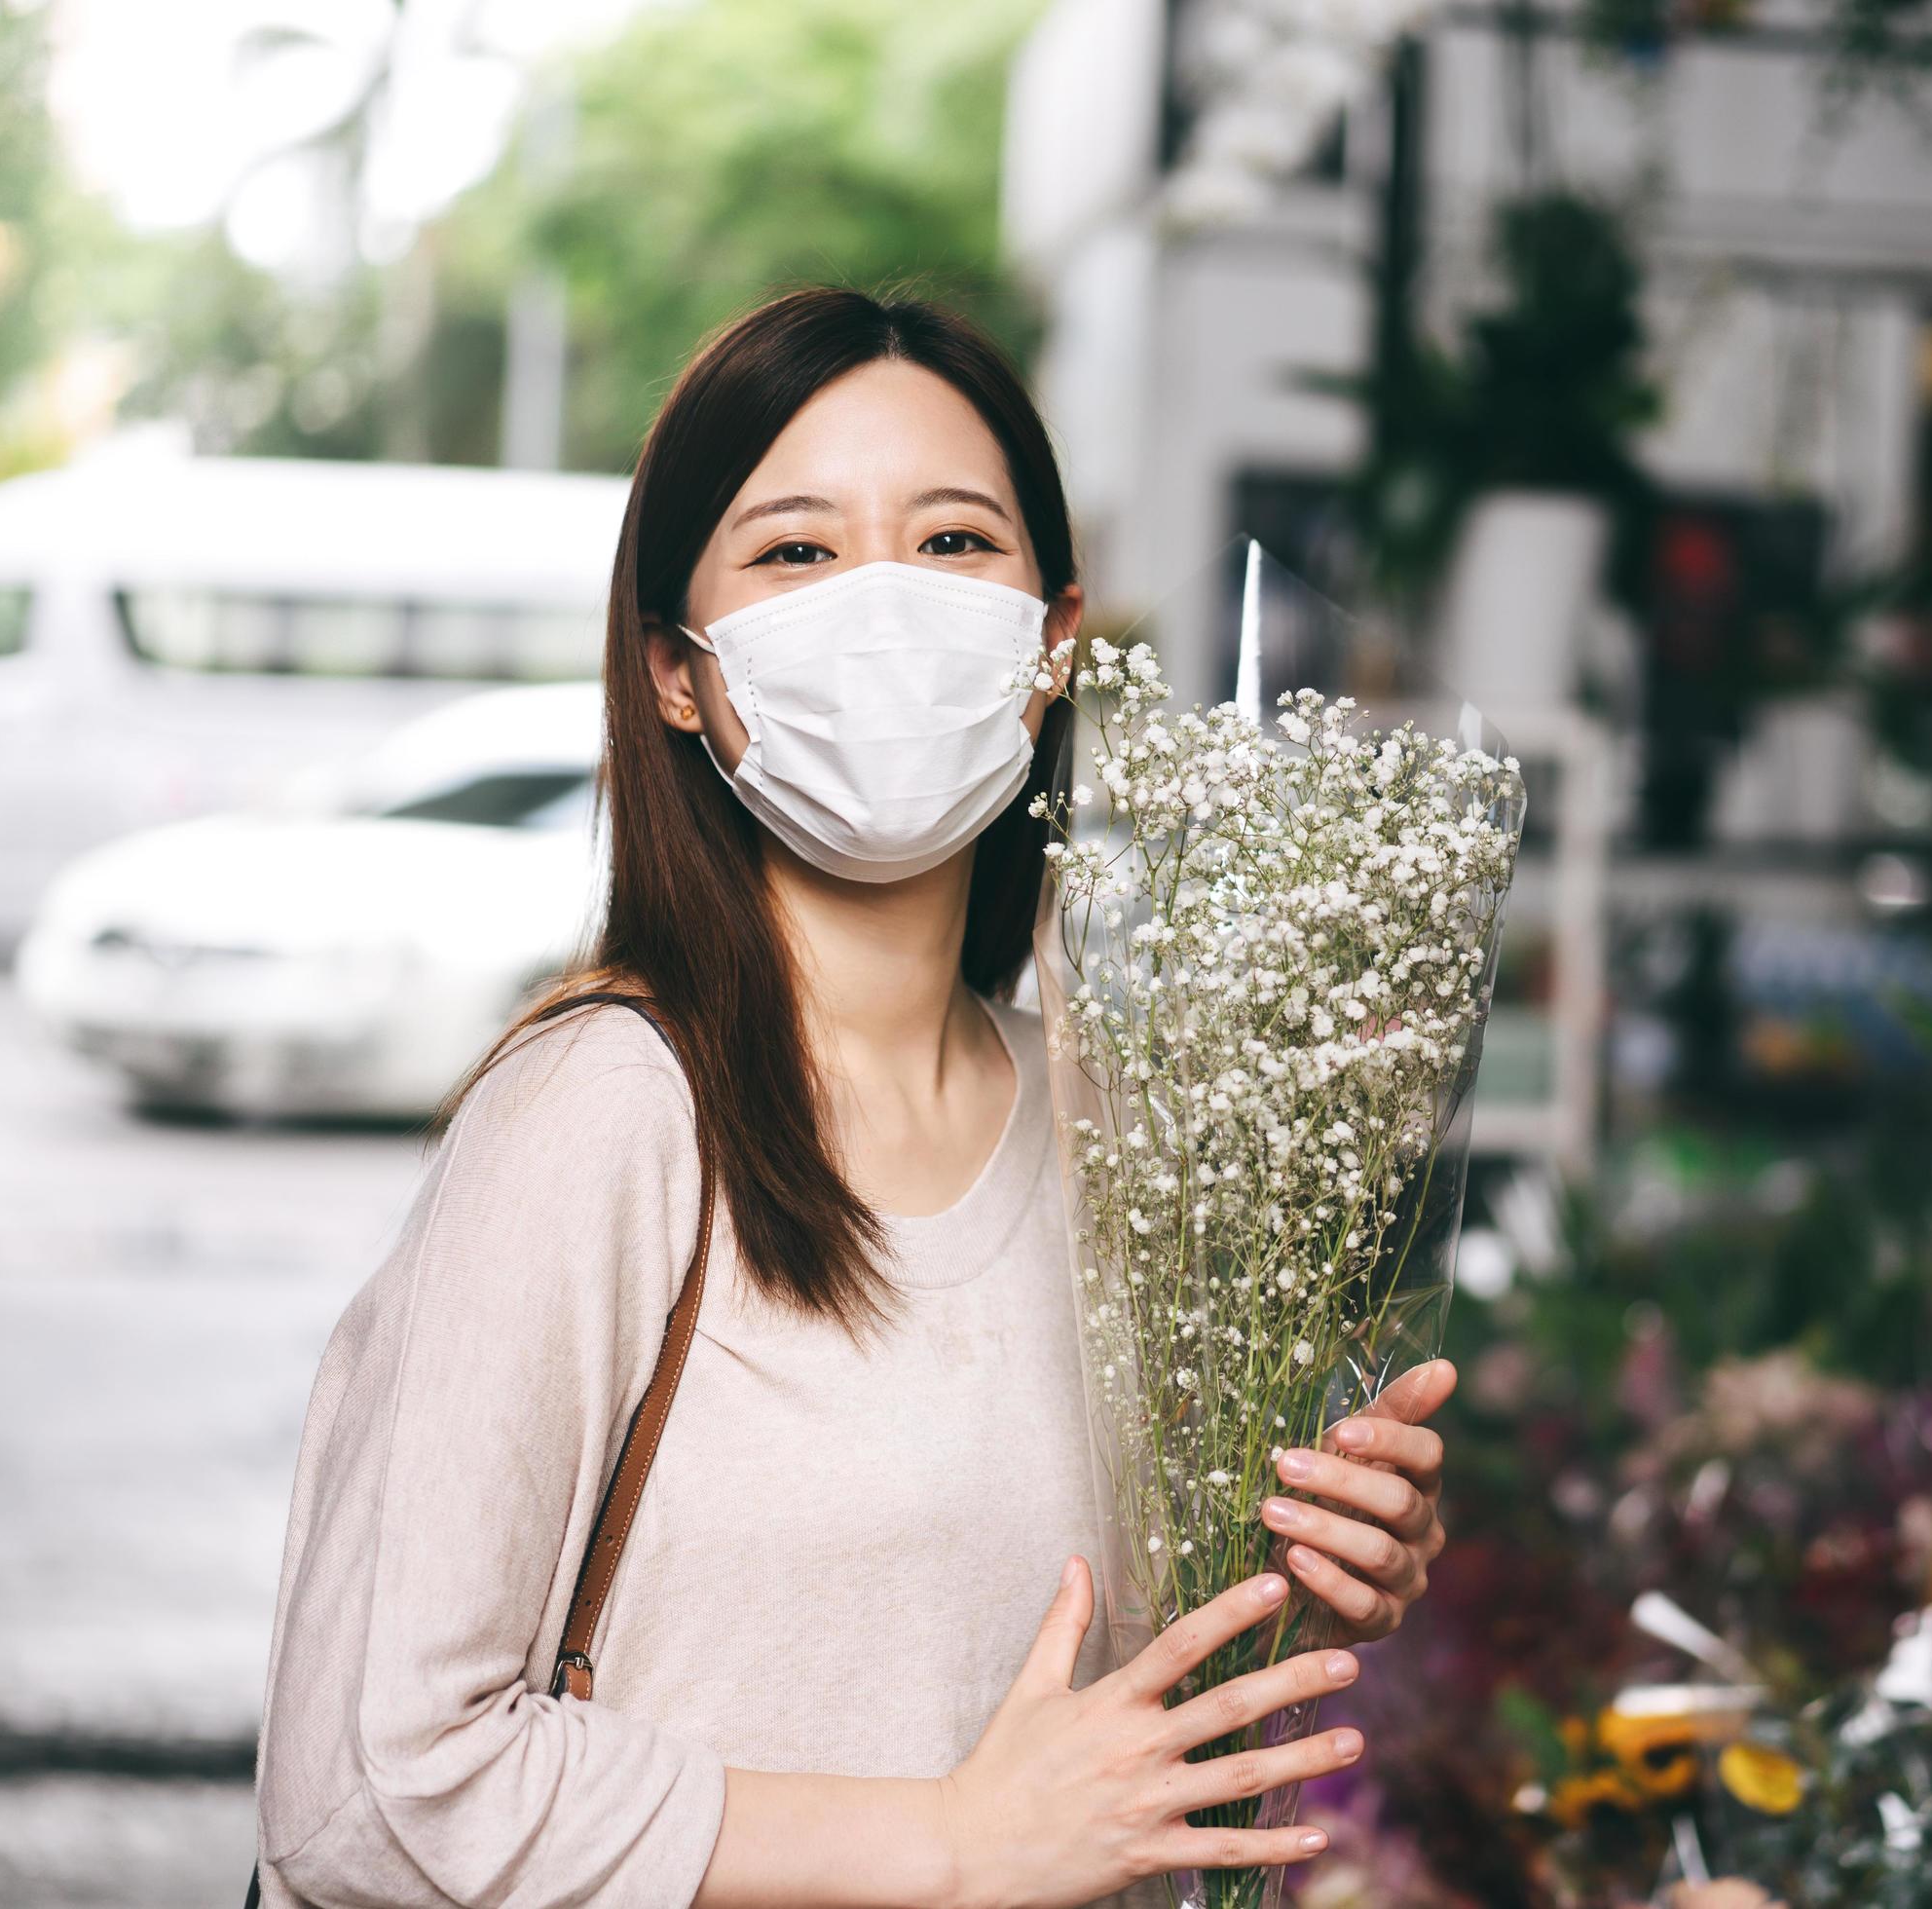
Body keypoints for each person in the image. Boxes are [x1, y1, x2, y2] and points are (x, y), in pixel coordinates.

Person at [249, 287, 1457, 1909]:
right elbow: (368, 1794)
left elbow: (1073, 1708)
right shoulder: (607, 1115)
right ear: (679, 672)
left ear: (1052, 642)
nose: (884, 605)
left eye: (955, 543)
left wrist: (1313, 1572)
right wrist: (951, 1847)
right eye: (798, 553)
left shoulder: (1127, 1123)